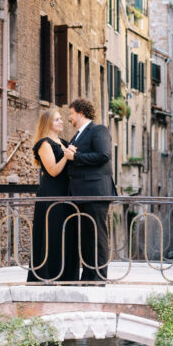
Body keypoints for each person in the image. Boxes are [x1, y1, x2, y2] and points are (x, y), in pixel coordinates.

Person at [64, 97, 116, 282]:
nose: (69, 117)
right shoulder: (77, 135)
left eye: (71, 113)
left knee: (97, 236)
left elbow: (104, 155)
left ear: (80, 112)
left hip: (95, 193)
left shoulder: (98, 130)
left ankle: (98, 279)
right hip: (80, 194)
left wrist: (75, 157)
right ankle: (87, 277)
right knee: (86, 238)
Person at [27, 106, 78, 282]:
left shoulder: (63, 142)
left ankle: (66, 276)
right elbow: (53, 171)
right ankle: (48, 276)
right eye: (57, 119)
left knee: (66, 233)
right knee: (52, 234)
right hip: (52, 194)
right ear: (48, 123)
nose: (62, 121)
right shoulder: (44, 144)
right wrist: (66, 156)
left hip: (66, 193)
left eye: (61, 118)